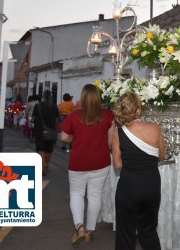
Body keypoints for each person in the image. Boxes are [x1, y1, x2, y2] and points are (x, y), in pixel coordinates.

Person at [60, 84, 114, 245]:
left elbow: (63, 137)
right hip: (101, 161)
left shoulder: (74, 116)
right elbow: (111, 140)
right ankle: (90, 231)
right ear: (98, 98)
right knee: (95, 195)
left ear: (82, 98)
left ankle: (80, 227)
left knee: (77, 193)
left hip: (78, 162)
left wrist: (74, 140)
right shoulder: (107, 114)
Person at [112, 91, 165, 250]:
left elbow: (118, 165)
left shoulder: (118, 133)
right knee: (148, 231)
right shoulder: (155, 128)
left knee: (125, 233)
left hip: (129, 185)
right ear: (138, 110)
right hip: (151, 184)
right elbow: (161, 156)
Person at [32, 90, 59, 175]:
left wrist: (33, 120)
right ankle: (46, 165)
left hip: (40, 130)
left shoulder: (38, 106)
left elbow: (33, 118)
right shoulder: (55, 106)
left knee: (41, 149)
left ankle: (42, 164)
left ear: (43, 96)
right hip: (51, 131)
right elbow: (57, 119)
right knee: (49, 149)